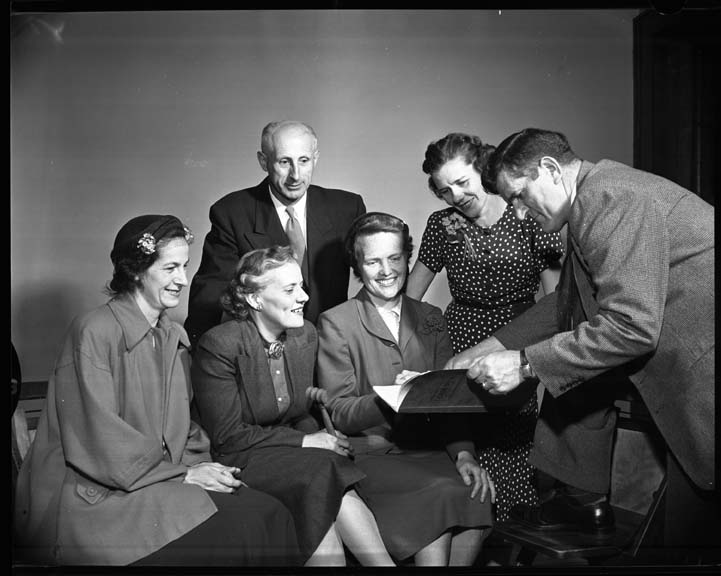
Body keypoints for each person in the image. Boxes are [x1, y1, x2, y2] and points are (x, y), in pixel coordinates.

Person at [453, 128, 715, 559]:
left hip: (702, 370)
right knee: (573, 374)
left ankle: (586, 506)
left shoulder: (610, 199)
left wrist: (524, 364)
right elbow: (568, 300)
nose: (518, 213)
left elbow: (630, 327)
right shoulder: (590, 198)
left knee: (683, 540)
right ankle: (582, 502)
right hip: (681, 352)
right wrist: (488, 346)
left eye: (519, 196)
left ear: (551, 170)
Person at [13, 215, 300, 566]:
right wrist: (185, 474)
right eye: (170, 268)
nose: (183, 279)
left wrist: (203, 466)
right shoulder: (93, 331)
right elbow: (100, 440)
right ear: (136, 271)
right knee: (243, 525)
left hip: (154, 477)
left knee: (268, 511)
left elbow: (184, 427)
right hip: (95, 494)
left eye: (184, 266)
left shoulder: (171, 334)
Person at [190, 245, 395, 567]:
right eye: (289, 290)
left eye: (301, 286)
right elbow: (228, 437)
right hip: (239, 455)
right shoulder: (220, 345)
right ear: (255, 299)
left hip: (288, 454)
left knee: (326, 471)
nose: (304, 297)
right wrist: (307, 441)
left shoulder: (304, 335)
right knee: (324, 470)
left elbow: (299, 413)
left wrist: (325, 437)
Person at [316, 212, 495, 566]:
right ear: (357, 265)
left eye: (394, 258)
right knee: (440, 495)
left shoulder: (431, 316)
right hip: (372, 456)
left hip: (428, 450)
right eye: (373, 262)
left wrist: (464, 454)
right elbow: (340, 413)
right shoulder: (336, 322)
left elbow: (450, 400)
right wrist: (392, 399)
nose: (386, 270)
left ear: (407, 259)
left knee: (478, 492)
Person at [406, 132, 564, 523]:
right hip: (460, 336)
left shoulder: (525, 213)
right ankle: (475, 525)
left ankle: (511, 525)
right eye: (445, 190)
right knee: (465, 433)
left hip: (519, 336)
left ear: (483, 169)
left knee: (511, 435)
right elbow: (410, 297)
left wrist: (537, 354)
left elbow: (556, 300)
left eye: (462, 182)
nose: (456, 196)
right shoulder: (442, 224)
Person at [185, 120, 366, 346]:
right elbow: (209, 300)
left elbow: (377, 275)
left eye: (304, 161)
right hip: (264, 351)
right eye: (284, 162)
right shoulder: (231, 213)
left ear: (315, 158)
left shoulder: (347, 208)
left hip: (334, 347)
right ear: (264, 161)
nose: (295, 175)